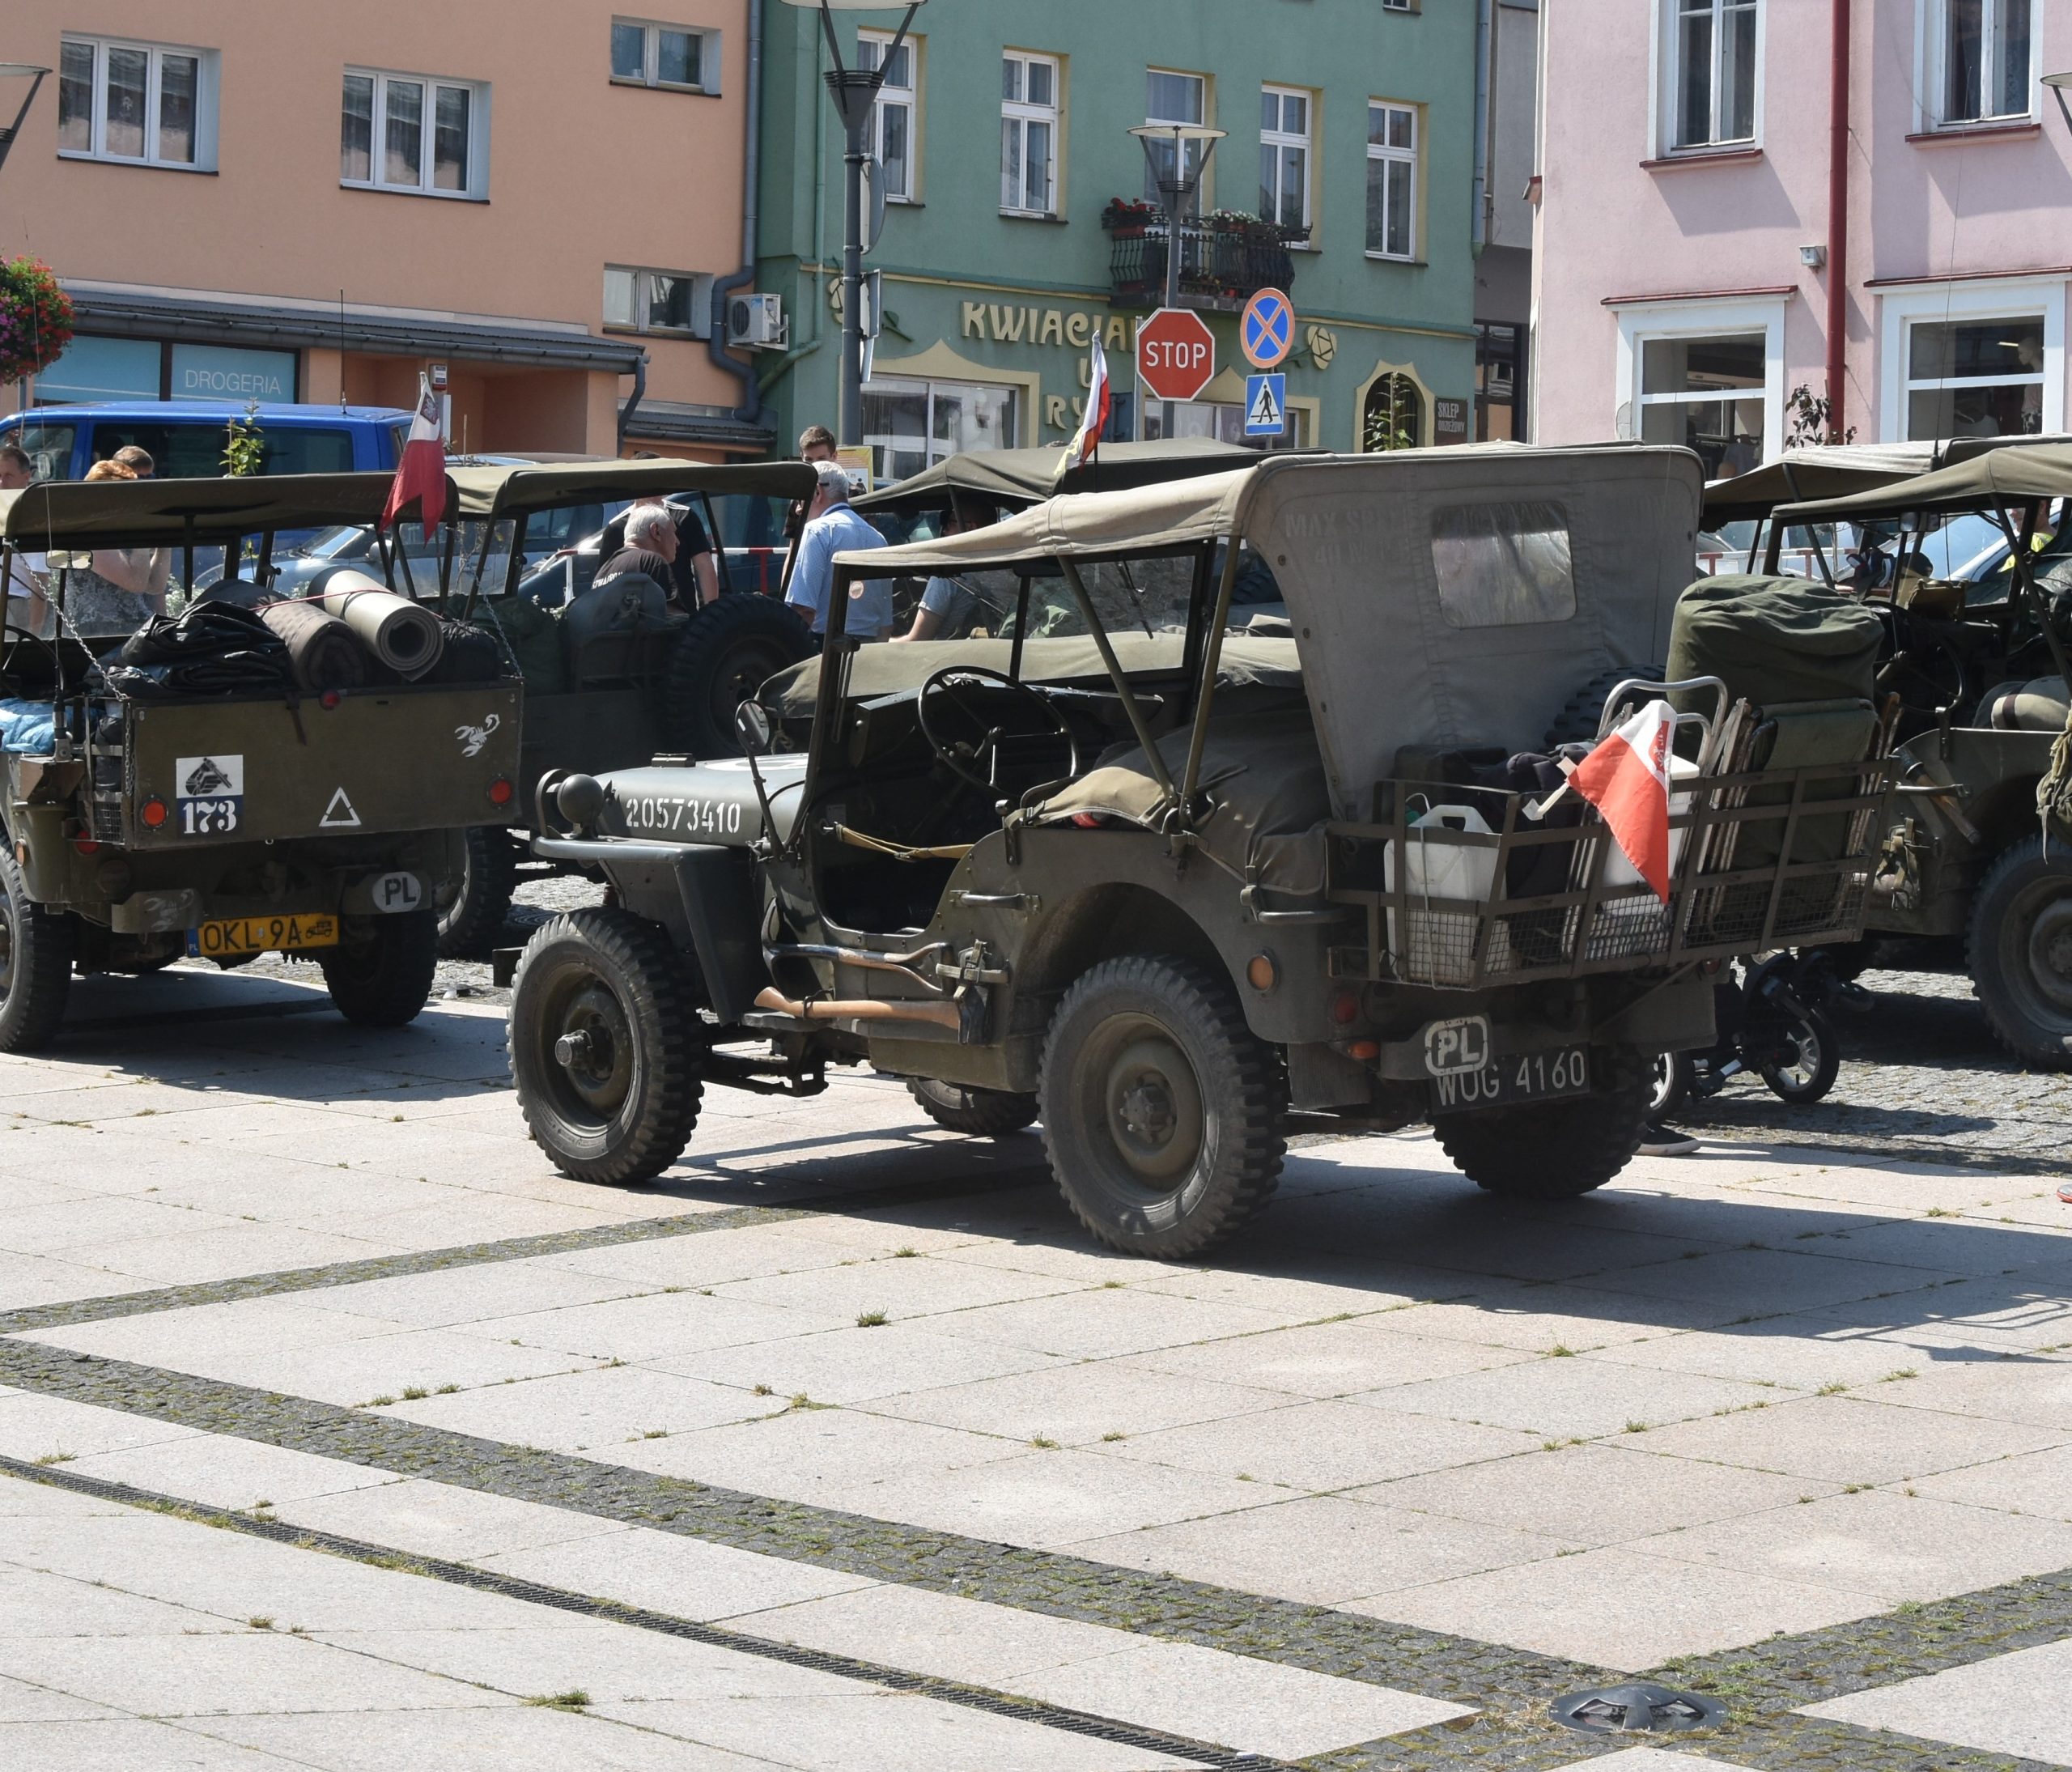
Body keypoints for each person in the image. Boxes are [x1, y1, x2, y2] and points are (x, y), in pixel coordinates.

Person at [34, 460, 169, 640]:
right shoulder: (88, 536)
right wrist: (142, 535)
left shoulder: (119, 533)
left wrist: (165, 543)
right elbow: (135, 583)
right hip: (100, 635)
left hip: (131, 631)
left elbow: (154, 586)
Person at [787, 460, 891, 641]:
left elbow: (803, 610)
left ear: (817, 492)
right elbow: (885, 625)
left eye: (801, 497)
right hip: (869, 650)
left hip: (823, 647)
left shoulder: (816, 531)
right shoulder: (879, 539)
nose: (797, 509)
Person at [891, 499, 992, 643]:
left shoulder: (948, 575)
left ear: (971, 528)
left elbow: (917, 640)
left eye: (950, 523)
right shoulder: (1007, 569)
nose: (944, 530)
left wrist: (879, 641)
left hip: (950, 654)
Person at [1, 444, 45, 635]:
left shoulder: (32, 520)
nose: (1, 482)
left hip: (13, 606)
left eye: (8, 476)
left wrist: (34, 637)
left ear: (26, 478)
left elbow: (40, 586)